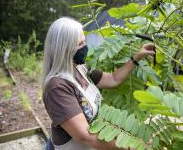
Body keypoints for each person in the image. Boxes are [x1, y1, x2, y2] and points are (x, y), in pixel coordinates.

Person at [42, 17, 155, 150]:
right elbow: (84, 136)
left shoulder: (80, 68)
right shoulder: (57, 87)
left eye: (85, 41)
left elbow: (113, 79)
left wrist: (136, 58)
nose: (85, 47)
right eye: (80, 44)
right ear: (64, 48)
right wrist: (133, 146)